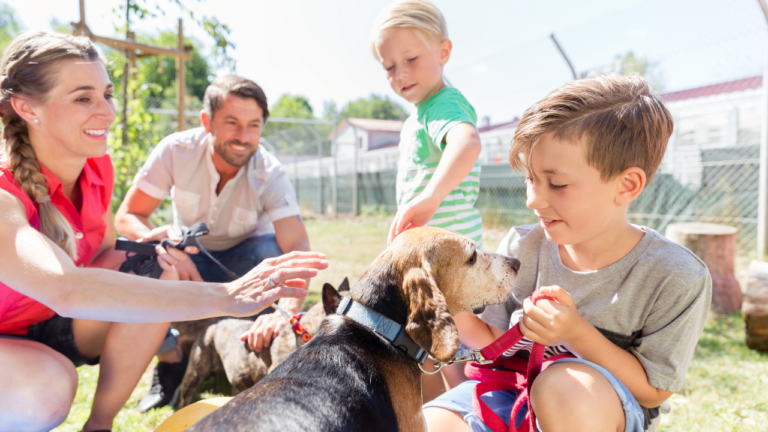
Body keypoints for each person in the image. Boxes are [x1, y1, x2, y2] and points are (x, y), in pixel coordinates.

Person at [0, 32, 327, 432]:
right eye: (83, 98)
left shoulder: (95, 169)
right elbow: (66, 288)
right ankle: (172, 354)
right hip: (24, 331)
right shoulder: (4, 194)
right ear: (25, 107)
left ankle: (99, 424)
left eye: (107, 94)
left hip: (48, 325)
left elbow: (101, 253)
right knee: (49, 389)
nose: (106, 112)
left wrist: (146, 249)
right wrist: (228, 296)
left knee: (156, 264)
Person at [422, 73, 712, 432]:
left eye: (557, 184)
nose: (533, 200)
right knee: (427, 424)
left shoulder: (675, 276)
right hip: (508, 392)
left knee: (562, 388)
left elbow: (654, 391)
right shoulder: (521, 247)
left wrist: (576, 333)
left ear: (627, 185)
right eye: (530, 179)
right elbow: (492, 343)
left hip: (592, 408)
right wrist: (449, 306)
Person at [114, 75, 312, 410]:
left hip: (244, 267)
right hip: (189, 259)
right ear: (207, 122)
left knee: (270, 251)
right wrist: (164, 246)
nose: (244, 137)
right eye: (232, 123)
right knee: (135, 256)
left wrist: (287, 313)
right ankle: (171, 360)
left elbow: (298, 248)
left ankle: (250, 344)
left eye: (254, 125)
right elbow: (129, 215)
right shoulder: (176, 151)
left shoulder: (270, 173)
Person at [369, 0, 483, 398]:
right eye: (388, 67)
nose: (399, 73)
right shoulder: (420, 112)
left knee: (453, 343)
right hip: (433, 258)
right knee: (428, 343)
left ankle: (472, 409)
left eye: (410, 58)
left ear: (443, 52)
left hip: (449, 260)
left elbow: (467, 142)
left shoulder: (442, 105)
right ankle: (445, 408)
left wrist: (432, 196)